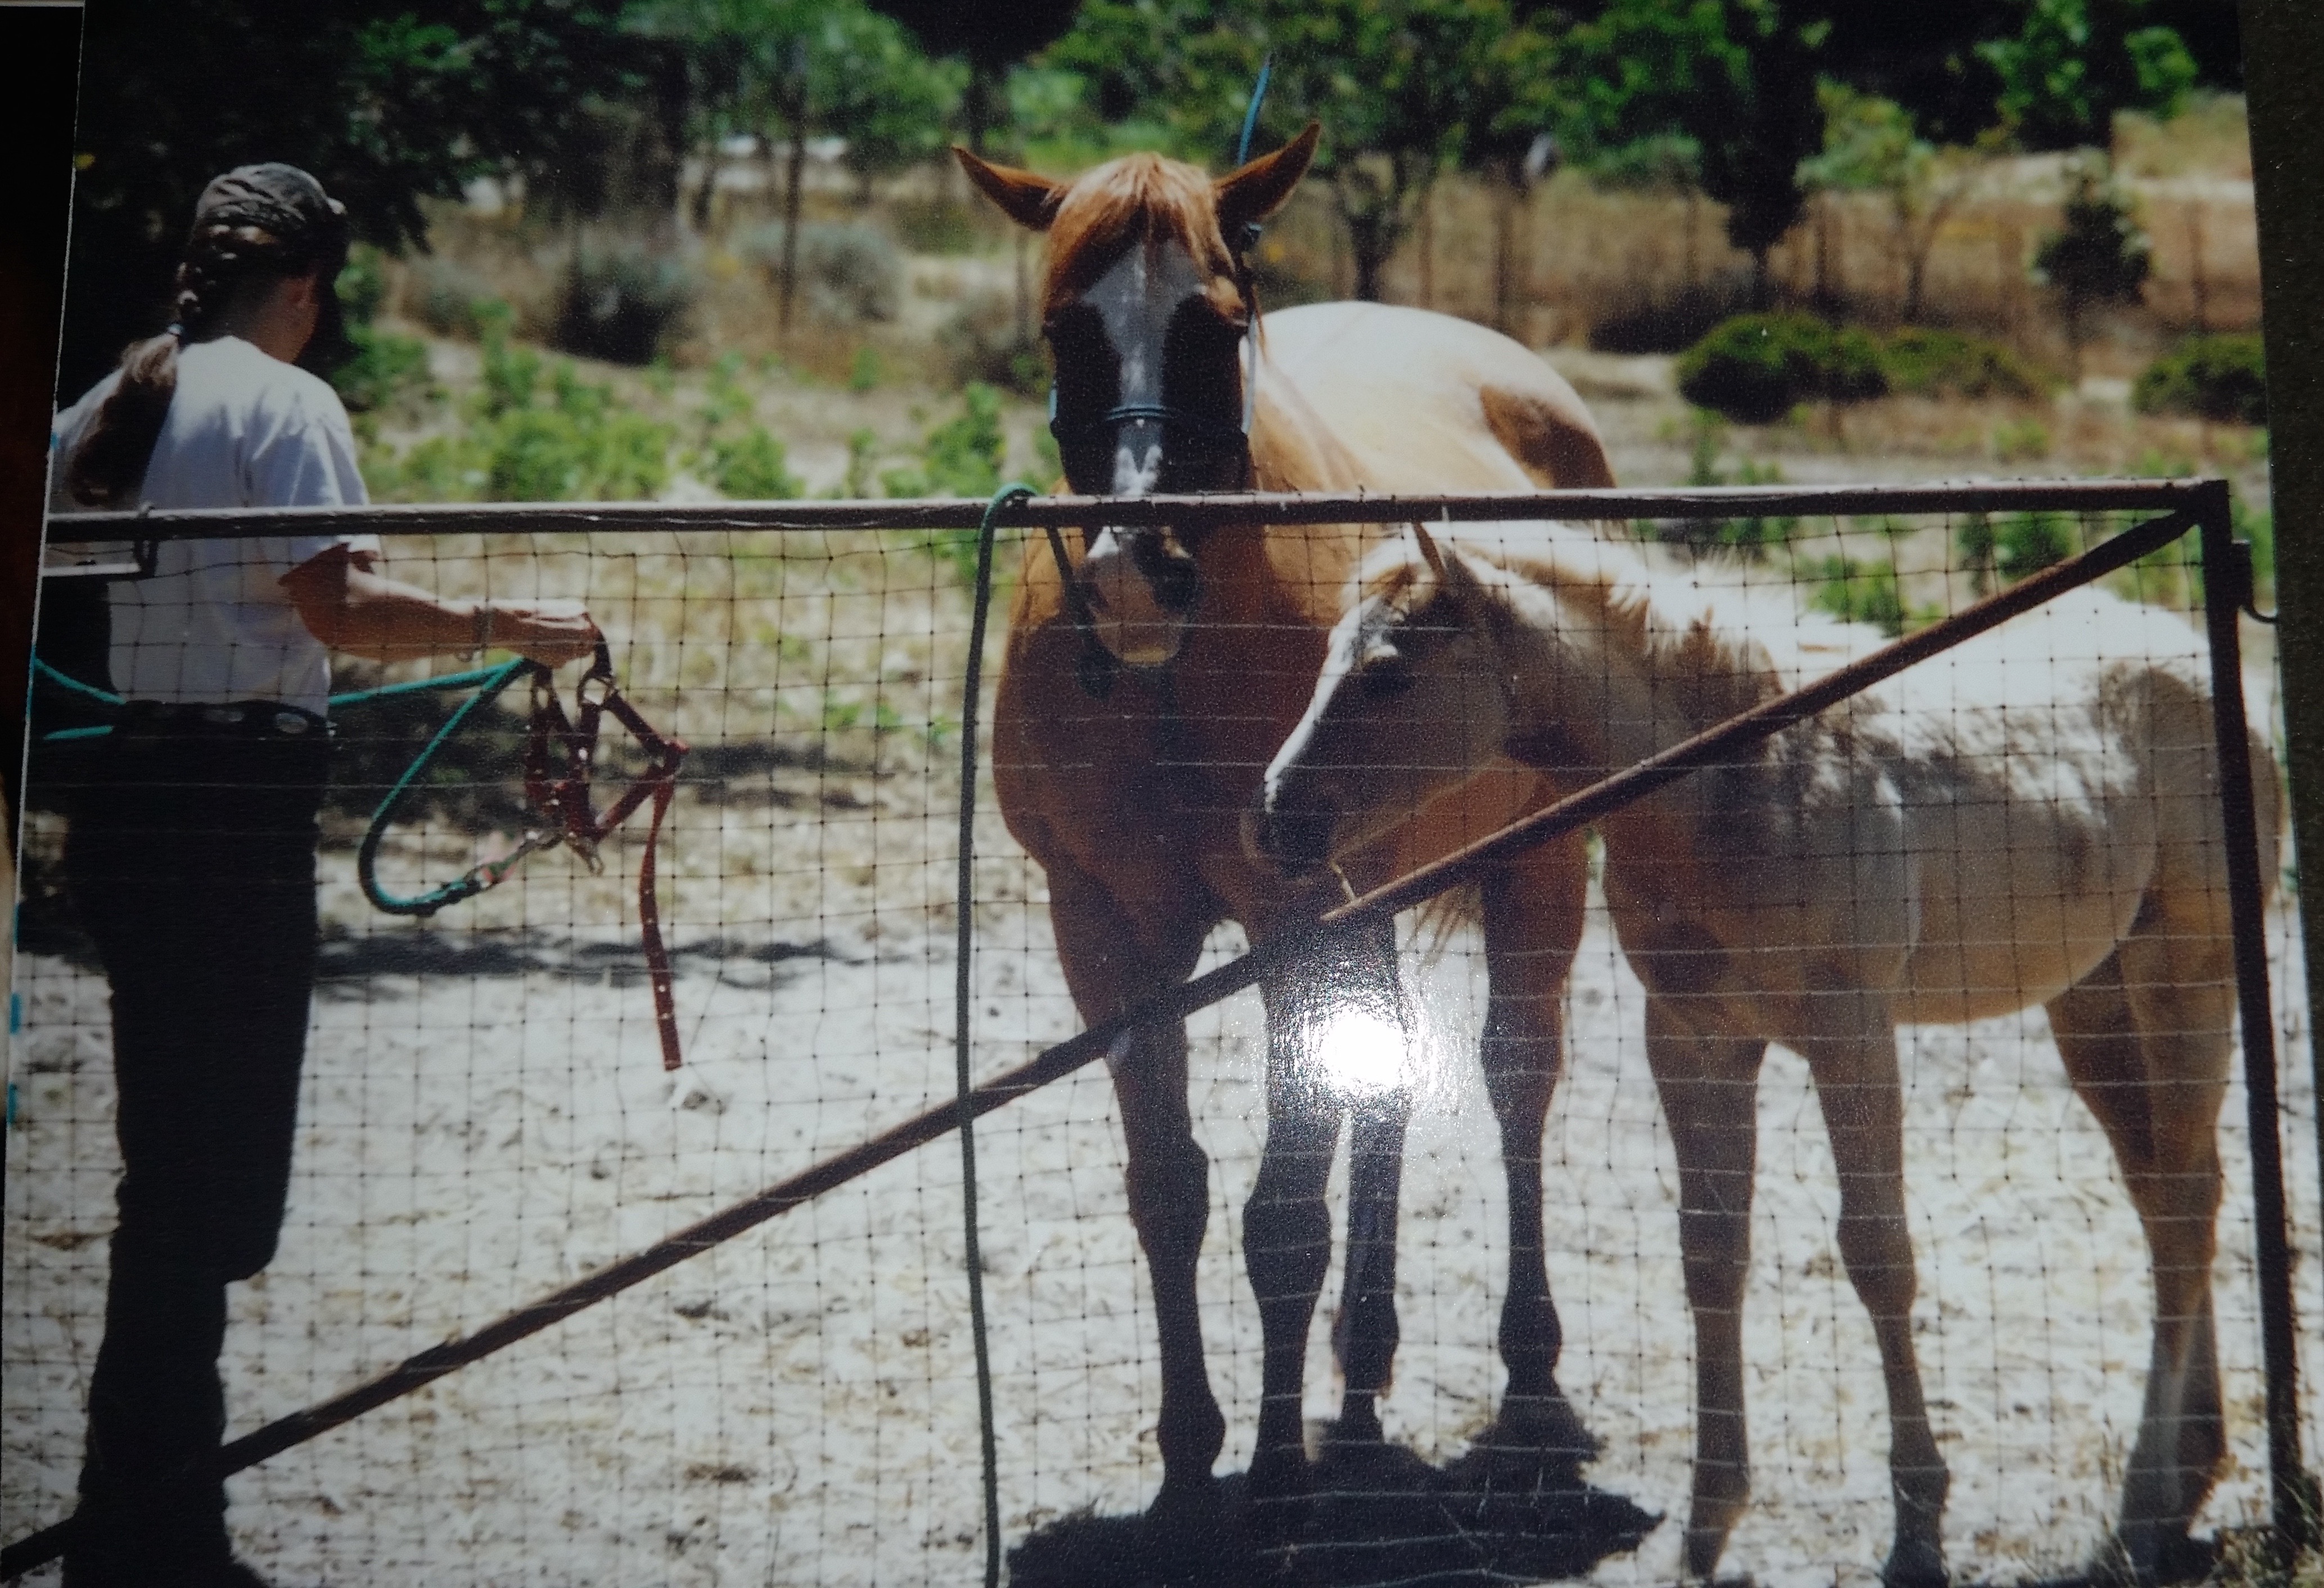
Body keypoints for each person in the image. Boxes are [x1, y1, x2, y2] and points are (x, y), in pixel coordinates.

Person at [47, 163, 600, 1588]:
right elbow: (334, 602)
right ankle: (153, 1520)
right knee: (213, 1192)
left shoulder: (95, 419)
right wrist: (501, 621)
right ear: (304, 285)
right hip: (232, 812)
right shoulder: (286, 407)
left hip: (126, 798)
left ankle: (147, 1500)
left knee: (172, 1169)